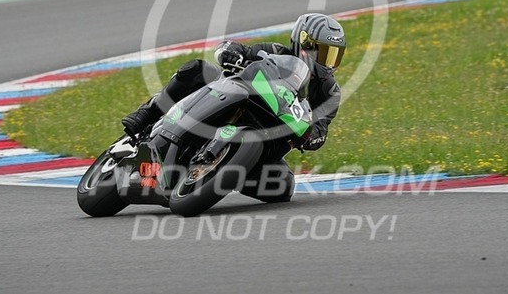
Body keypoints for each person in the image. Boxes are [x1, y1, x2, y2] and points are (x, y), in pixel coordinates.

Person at [121, 13, 346, 203]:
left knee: (283, 185)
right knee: (198, 70)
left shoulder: (329, 92)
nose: (329, 63)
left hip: (270, 137)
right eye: (325, 53)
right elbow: (234, 48)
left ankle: (224, 173)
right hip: (234, 103)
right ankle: (147, 113)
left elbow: (321, 129)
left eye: (335, 55)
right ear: (305, 43)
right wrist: (231, 54)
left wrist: (311, 136)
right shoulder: (275, 52)